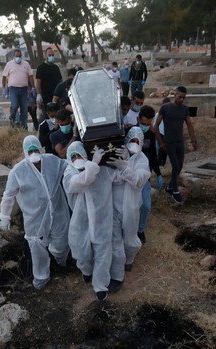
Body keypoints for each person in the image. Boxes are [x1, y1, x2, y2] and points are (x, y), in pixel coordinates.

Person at [0, 135, 70, 289]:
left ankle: (60, 262)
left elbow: (68, 166)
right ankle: (41, 277)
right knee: (37, 248)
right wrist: (4, 217)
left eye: (35, 150)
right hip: (35, 218)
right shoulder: (18, 171)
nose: (34, 154)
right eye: (30, 151)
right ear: (25, 153)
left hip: (57, 212)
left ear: (40, 148)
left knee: (62, 243)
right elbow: (9, 195)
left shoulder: (52, 161)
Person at [63, 142, 115, 301]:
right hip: (81, 222)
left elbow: (118, 177)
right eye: (74, 156)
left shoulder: (101, 170)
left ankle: (100, 285)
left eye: (80, 155)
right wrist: (93, 165)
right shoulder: (69, 172)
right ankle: (86, 271)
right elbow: (77, 183)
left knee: (103, 253)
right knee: (80, 251)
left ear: (86, 155)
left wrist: (125, 164)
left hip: (102, 220)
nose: (77, 158)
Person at [109, 127, 150, 290]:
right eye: (131, 140)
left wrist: (125, 168)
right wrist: (124, 171)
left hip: (132, 206)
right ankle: (117, 277)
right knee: (115, 240)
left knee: (130, 239)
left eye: (137, 141)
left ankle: (129, 258)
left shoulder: (142, 160)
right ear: (126, 141)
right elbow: (112, 178)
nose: (134, 144)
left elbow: (139, 180)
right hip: (114, 204)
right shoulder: (118, 153)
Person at [153, 86, 197, 205]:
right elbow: (156, 126)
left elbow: (189, 125)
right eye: (179, 97)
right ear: (174, 95)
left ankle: (170, 187)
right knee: (175, 165)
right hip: (169, 142)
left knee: (180, 165)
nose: (181, 100)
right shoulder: (165, 108)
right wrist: (160, 142)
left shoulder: (184, 109)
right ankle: (175, 191)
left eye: (183, 98)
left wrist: (193, 141)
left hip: (179, 141)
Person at [136, 105, 161, 243]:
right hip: (130, 175)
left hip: (145, 174)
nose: (145, 126)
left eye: (148, 124)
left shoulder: (150, 136)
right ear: (138, 119)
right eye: (143, 123)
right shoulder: (130, 132)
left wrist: (158, 173)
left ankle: (140, 230)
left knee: (145, 206)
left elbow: (152, 155)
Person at [2, 49, 35, 130]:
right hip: (13, 89)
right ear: (14, 56)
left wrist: (33, 87)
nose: (18, 58)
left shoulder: (26, 64)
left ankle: (23, 125)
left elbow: (30, 76)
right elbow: (4, 76)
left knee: (24, 108)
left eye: (19, 56)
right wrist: (4, 88)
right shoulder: (9, 64)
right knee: (15, 105)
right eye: (16, 56)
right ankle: (13, 119)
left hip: (24, 89)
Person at [35, 47, 62, 120]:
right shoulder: (41, 68)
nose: (51, 56)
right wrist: (38, 94)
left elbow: (60, 80)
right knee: (46, 116)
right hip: (45, 96)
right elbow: (38, 81)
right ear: (45, 55)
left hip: (56, 96)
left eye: (52, 55)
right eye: (49, 55)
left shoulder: (56, 67)